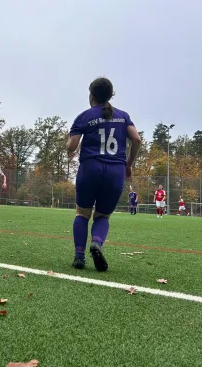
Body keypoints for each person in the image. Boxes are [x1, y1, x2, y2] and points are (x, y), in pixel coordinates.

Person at [66, 77, 141, 271]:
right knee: (103, 216)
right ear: (111, 95)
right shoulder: (123, 116)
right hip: (115, 171)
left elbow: (72, 146)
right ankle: (97, 242)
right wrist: (129, 164)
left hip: (90, 168)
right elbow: (137, 139)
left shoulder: (84, 116)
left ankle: (79, 256)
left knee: (82, 213)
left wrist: (68, 145)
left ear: (91, 95)